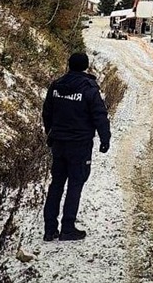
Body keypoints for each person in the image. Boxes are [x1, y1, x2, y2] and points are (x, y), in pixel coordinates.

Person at [41, 52, 111, 242]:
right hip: (79, 145)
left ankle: (49, 229)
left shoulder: (56, 86)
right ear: (86, 66)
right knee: (75, 184)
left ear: (69, 64)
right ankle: (68, 227)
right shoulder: (89, 89)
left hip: (59, 143)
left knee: (56, 184)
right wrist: (105, 138)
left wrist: (51, 133)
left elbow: (47, 112)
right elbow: (99, 115)